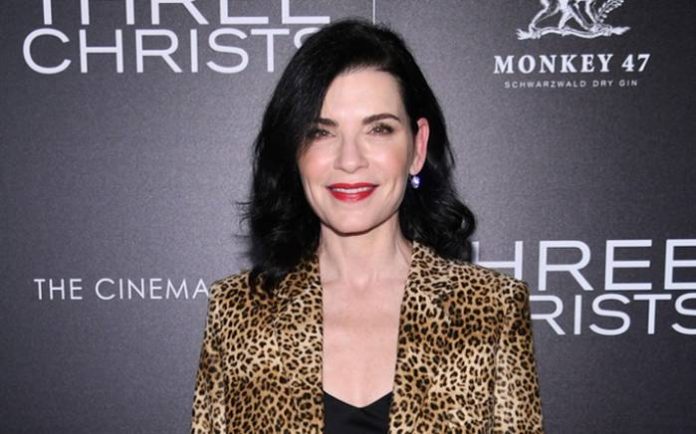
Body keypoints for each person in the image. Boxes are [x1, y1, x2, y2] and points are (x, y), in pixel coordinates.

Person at [191, 18, 544, 434]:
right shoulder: (239, 310)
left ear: (417, 147)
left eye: (379, 129)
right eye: (321, 132)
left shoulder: (492, 309)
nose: (350, 160)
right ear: (294, 151)